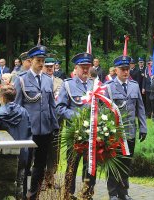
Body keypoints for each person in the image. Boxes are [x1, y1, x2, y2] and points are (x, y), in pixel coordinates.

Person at [14, 45, 58, 200]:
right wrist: (19, 129)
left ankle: (34, 195)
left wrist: (55, 125)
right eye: (38, 61)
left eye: (43, 61)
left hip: (45, 129)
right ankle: (23, 194)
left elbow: (51, 104)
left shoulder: (47, 80)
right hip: (28, 130)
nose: (41, 64)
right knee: (25, 165)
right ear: (30, 61)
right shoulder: (21, 80)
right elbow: (17, 106)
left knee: (40, 165)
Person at [105, 55, 147, 200]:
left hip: (130, 132)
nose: (125, 72)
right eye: (122, 69)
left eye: (127, 69)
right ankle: (113, 193)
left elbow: (140, 108)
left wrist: (143, 127)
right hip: (114, 134)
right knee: (113, 163)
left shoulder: (134, 85)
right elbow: (104, 111)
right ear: (116, 70)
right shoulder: (108, 88)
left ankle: (124, 192)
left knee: (126, 163)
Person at [56, 52, 95, 200]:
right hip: (75, 133)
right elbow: (59, 108)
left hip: (92, 134)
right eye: (82, 67)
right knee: (72, 165)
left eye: (87, 67)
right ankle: (69, 193)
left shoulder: (95, 84)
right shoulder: (68, 85)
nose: (85, 70)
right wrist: (77, 116)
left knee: (90, 165)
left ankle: (87, 192)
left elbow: (102, 106)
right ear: (76, 68)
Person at [0, 84, 32, 199]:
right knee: (20, 184)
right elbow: (29, 132)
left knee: (3, 188)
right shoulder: (24, 112)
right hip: (22, 154)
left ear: (1, 97)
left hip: (2, 158)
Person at [42, 56, 63, 189]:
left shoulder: (60, 81)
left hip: (57, 121)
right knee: (42, 150)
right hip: (43, 122)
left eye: (52, 66)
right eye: (47, 66)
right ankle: (42, 179)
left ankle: (51, 177)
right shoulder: (39, 80)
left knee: (55, 151)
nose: (50, 69)